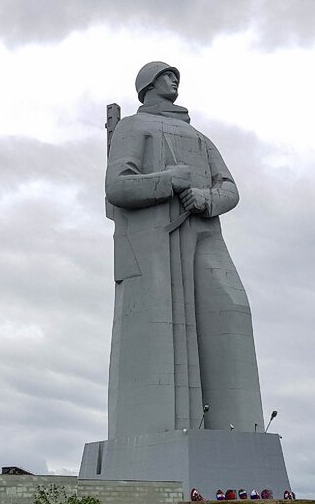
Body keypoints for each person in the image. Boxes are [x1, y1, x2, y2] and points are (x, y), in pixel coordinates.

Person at [105, 62, 265, 437]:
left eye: (175, 75)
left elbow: (230, 188)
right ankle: (157, 433)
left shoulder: (199, 138)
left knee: (232, 309)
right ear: (147, 85)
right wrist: (169, 181)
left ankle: (242, 432)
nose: (174, 79)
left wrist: (206, 198)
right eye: (165, 75)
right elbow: (117, 187)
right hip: (153, 244)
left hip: (204, 234)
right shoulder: (133, 127)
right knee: (159, 331)